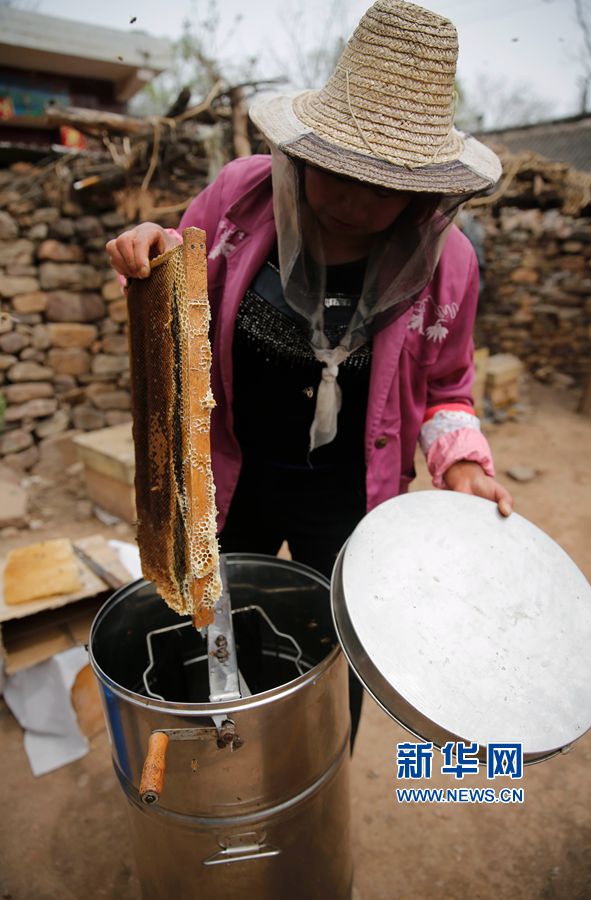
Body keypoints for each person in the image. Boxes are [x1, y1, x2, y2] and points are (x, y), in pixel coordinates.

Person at [107, 0, 513, 749]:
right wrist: (147, 248)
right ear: (308, 153)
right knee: (221, 620)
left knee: (335, 649)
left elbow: (450, 389)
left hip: (348, 497)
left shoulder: (449, 262)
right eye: (340, 175)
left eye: (385, 185)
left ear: (427, 189)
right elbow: (177, 264)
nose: (357, 203)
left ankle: (314, 765)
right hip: (236, 471)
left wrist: (462, 464)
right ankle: (229, 751)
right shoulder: (242, 195)